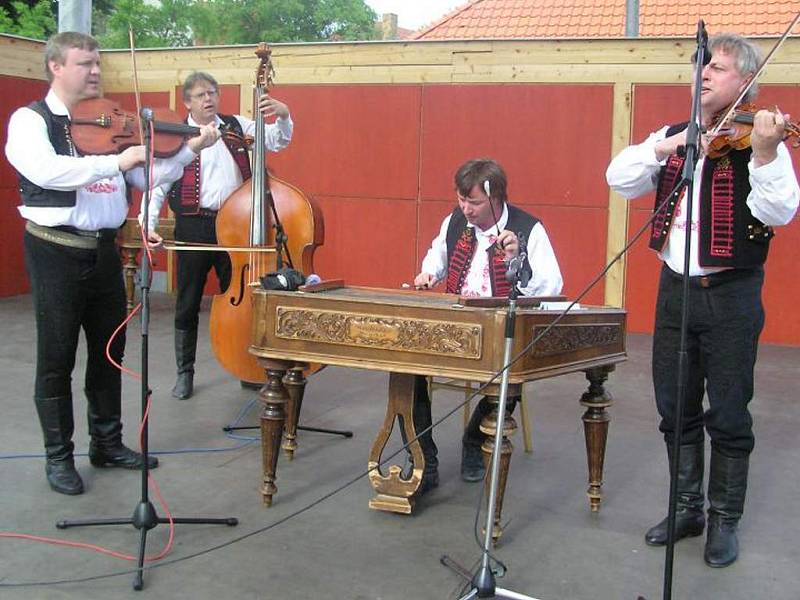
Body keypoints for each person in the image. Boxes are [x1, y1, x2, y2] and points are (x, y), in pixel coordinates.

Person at [606, 33, 799, 567]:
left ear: (746, 83)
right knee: (674, 406)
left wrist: (763, 151)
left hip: (732, 295)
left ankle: (723, 520)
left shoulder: (761, 142)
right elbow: (619, 178)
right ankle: (686, 506)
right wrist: (666, 145)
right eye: (703, 66)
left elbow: (780, 211)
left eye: (717, 67)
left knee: (731, 412)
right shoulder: (673, 135)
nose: (704, 74)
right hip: (675, 291)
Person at [5, 32, 220, 496]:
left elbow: (149, 173)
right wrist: (114, 163)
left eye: (98, 63)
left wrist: (190, 149)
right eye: (85, 64)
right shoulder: (31, 121)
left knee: (110, 353)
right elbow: (45, 171)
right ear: (56, 67)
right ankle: (59, 457)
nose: (96, 71)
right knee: (56, 357)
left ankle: (107, 443)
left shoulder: (108, 124)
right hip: (55, 249)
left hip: (104, 251)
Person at [139, 71, 293, 400]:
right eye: (200, 95)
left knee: (238, 300)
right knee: (188, 301)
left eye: (212, 93)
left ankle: (242, 364)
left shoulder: (236, 125)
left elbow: (277, 141)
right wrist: (148, 223)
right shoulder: (177, 136)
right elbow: (158, 185)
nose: (208, 99)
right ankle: (185, 373)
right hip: (193, 226)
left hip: (234, 226)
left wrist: (283, 115)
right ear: (187, 102)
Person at [411, 158, 563, 492]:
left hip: (498, 328)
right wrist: (427, 275)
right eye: (461, 200)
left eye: (474, 202)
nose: (465, 208)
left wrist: (515, 262)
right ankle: (424, 460)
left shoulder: (528, 229)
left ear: (496, 198)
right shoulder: (454, 221)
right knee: (405, 367)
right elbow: (437, 260)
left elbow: (551, 286)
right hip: (454, 323)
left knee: (514, 367)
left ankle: (473, 441)